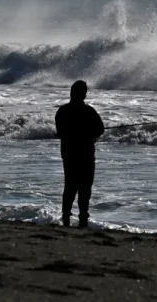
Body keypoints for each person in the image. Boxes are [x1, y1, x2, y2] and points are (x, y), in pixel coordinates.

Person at [55, 80, 105, 228]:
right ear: (84, 94)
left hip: (68, 153)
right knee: (85, 187)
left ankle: (66, 218)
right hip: (86, 154)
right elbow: (100, 130)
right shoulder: (89, 111)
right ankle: (83, 219)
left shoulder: (62, 111)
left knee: (70, 186)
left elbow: (60, 130)